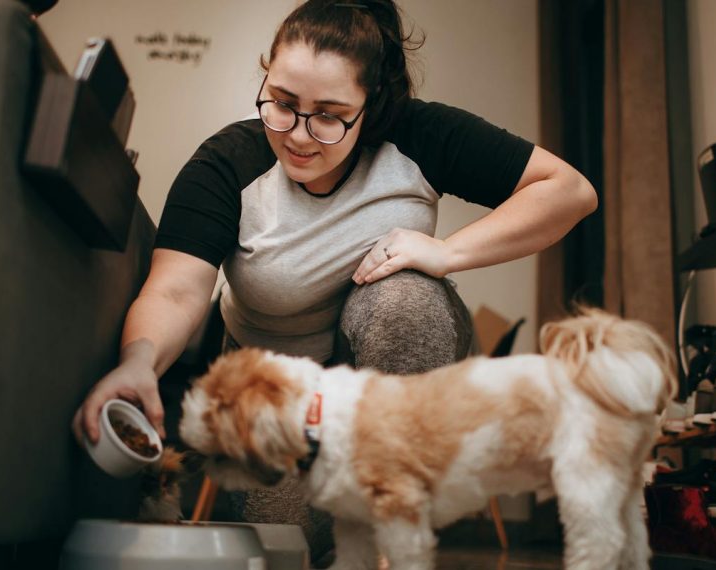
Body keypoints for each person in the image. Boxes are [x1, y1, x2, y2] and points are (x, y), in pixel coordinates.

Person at [72, 0, 596, 559]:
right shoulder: (226, 164)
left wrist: (446, 252)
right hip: (277, 391)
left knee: (405, 298)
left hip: (381, 386)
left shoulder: (417, 135)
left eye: (328, 114)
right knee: (290, 548)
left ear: (372, 106)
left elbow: (569, 192)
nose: (299, 134)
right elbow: (176, 289)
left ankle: (392, 519)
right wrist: (138, 363)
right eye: (282, 104)